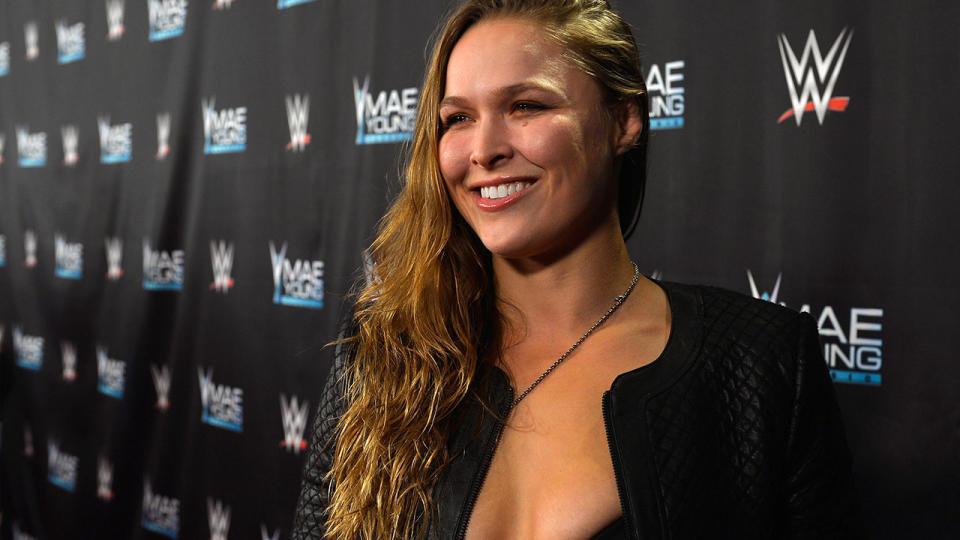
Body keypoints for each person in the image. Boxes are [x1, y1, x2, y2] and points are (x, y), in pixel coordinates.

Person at [293, 0, 860, 538]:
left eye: (527, 107)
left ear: (624, 122)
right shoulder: (382, 356)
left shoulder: (763, 362)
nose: (483, 149)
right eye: (458, 118)